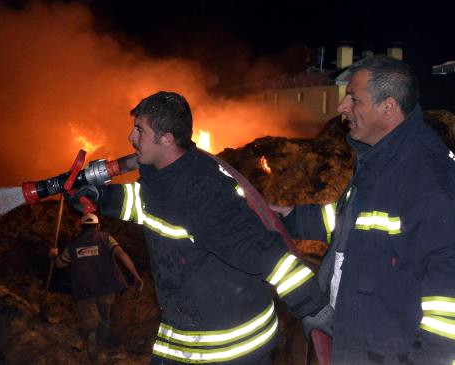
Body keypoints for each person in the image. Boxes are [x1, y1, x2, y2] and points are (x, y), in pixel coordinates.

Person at [66, 91, 325, 364]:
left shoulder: (203, 192)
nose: (131, 138)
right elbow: (150, 206)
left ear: (166, 138)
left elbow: (265, 254)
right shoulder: (166, 176)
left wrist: (314, 310)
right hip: (188, 332)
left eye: (140, 130)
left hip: (226, 347)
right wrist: (102, 198)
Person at [271, 55, 455, 364]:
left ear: (388, 107)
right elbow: (356, 221)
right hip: (360, 343)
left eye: (354, 99)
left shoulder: (428, 183)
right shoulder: (381, 159)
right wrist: (291, 217)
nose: (342, 107)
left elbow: (449, 301)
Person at [49, 212, 144, 361]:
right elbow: (121, 254)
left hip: (84, 289)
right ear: (98, 226)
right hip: (106, 287)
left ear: (82, 227)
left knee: (90, 318)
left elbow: (60, 264)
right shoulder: (106, 238)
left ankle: (91, 335)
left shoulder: (73, 245)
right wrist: (135, 275)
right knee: (104, 316)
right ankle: (102, 344)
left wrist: (54, 256)